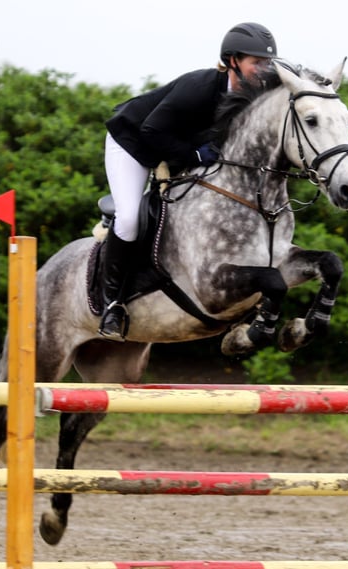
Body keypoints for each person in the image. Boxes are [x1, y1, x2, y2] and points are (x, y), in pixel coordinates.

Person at [98, 22, 278, 340]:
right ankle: (112, 302)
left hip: (176, 148)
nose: (264, 70)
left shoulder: (252, 97)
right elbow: (151, 131)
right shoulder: (200, 86)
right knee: (128, 217)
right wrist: (194, 156)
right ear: (233, 60)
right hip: (133, 143)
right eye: (257, 62)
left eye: (267, 63)